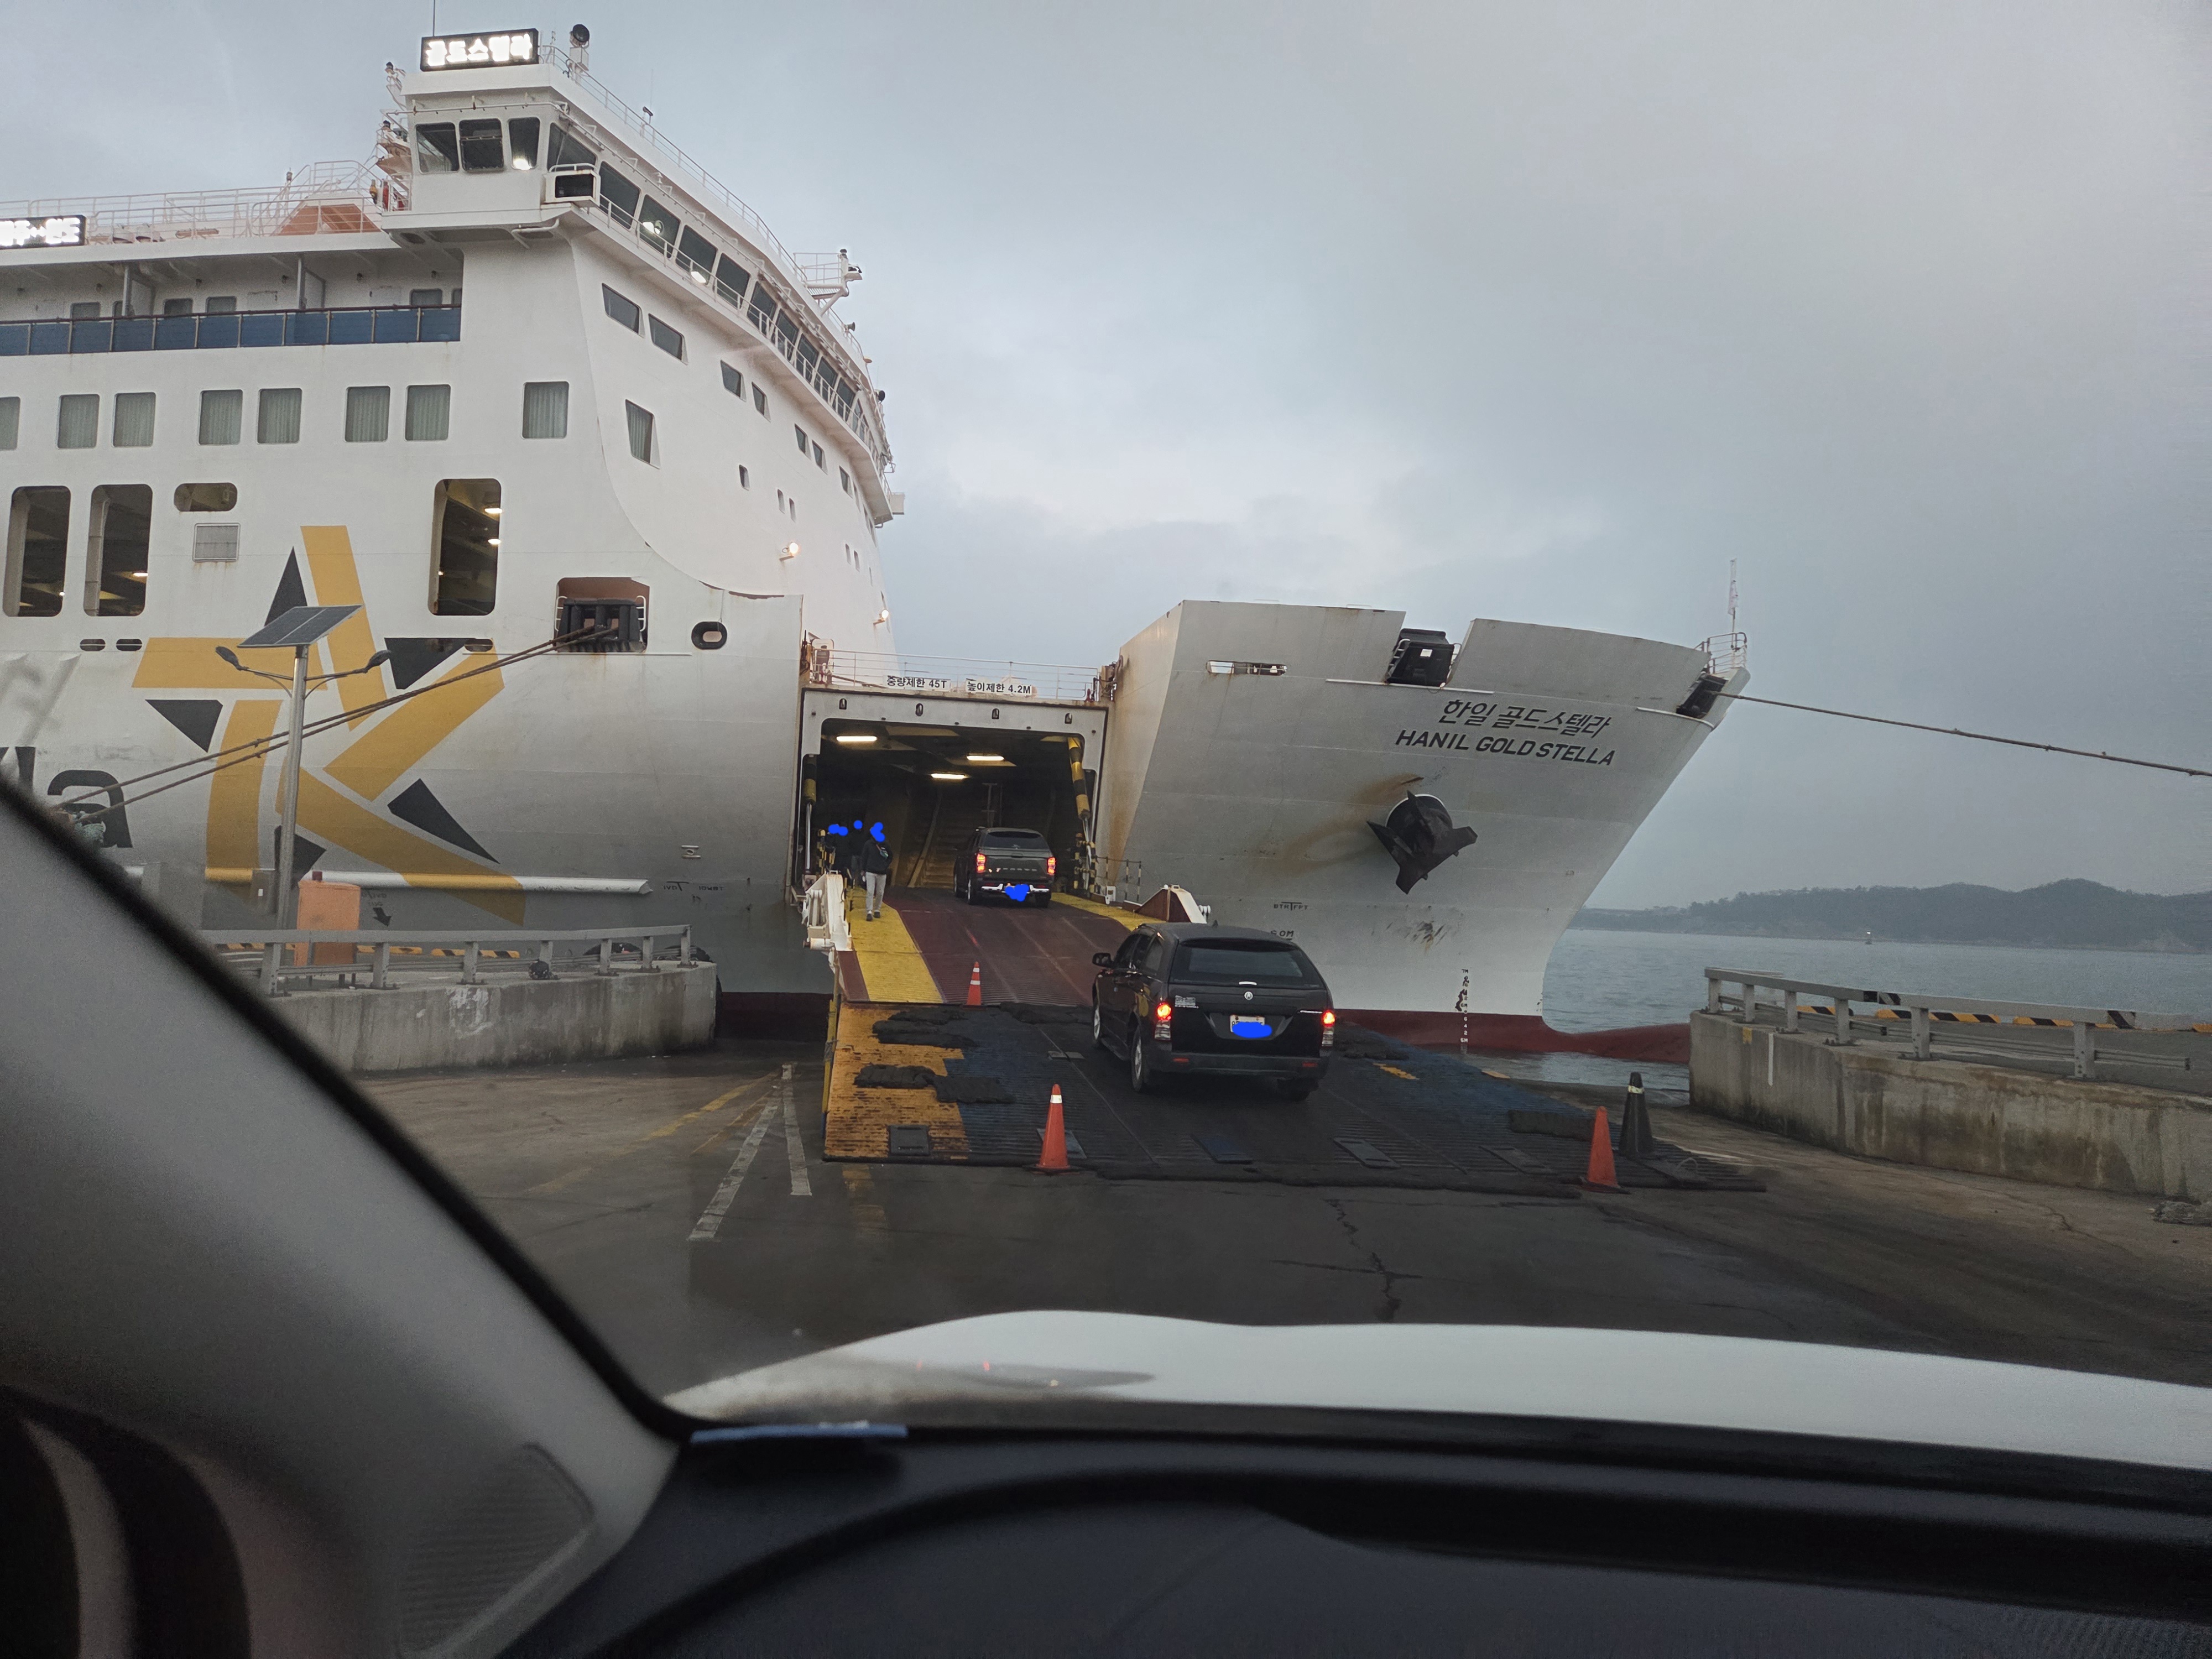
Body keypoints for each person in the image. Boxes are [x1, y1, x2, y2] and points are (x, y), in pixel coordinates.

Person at [855, 820, 892, 921]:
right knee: (870, 892)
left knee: (880, 892)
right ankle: (869, 911)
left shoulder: (885, 844)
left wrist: (885, 866)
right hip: (870, 871)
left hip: (882, 872)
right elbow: (864, 857)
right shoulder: (868, 844)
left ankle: (877, 909)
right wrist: (863, 869)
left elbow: (890, 856)